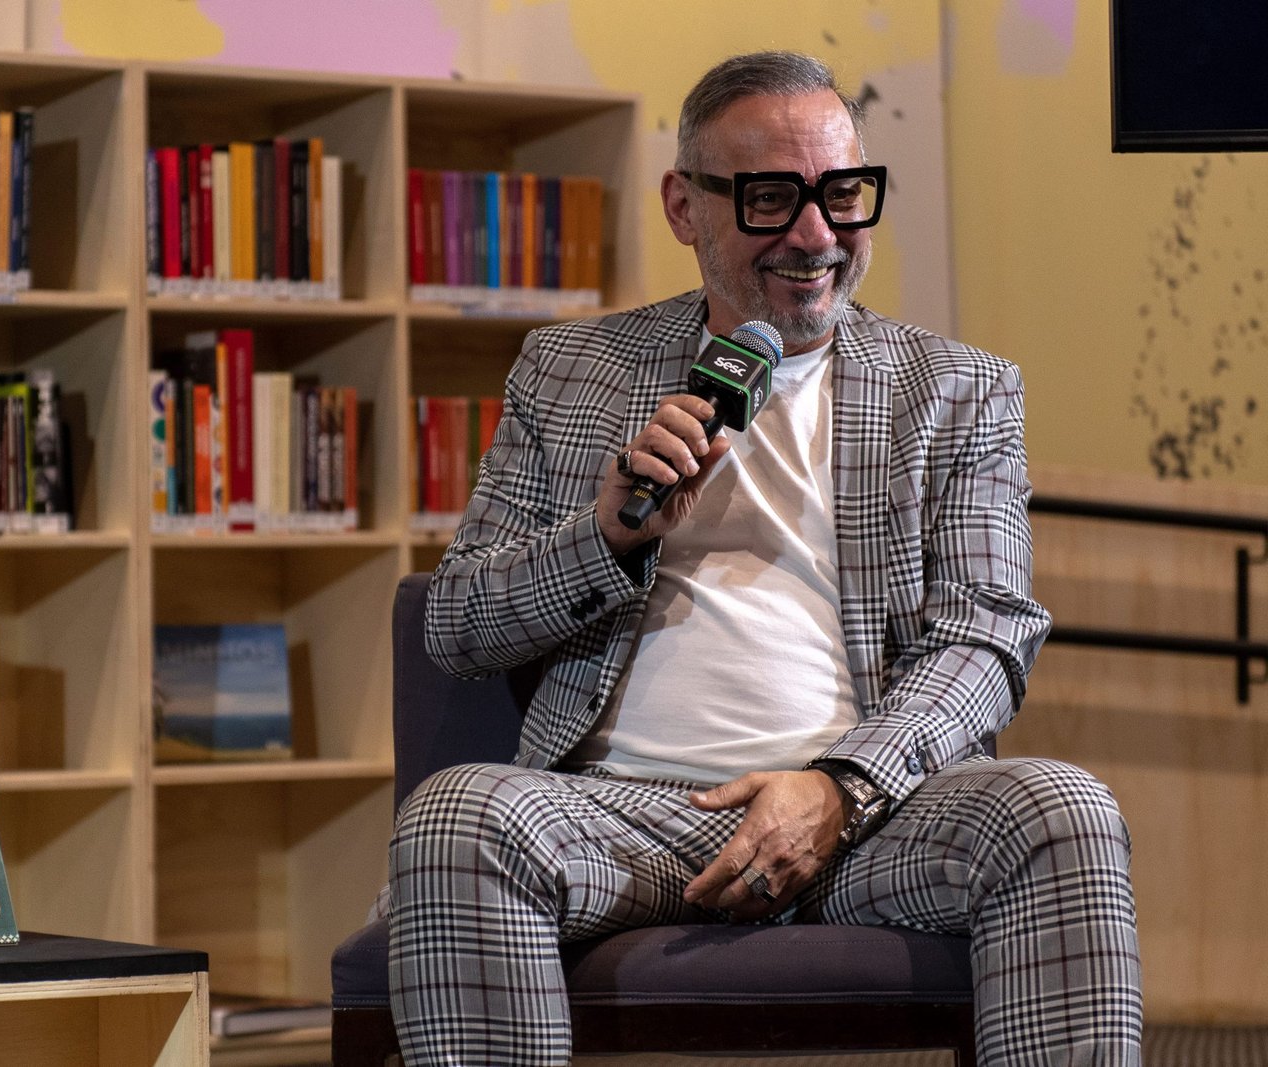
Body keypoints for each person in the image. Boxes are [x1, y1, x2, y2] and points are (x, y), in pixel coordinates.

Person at [385, 51, 1142, 1066]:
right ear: (683, 206)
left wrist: (835, 787)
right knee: (457, 816)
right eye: (772, 197)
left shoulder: (958, 390)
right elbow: (459, 624)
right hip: (628, 813)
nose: (816, 234)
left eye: (842, 194)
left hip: (878, 818)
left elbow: (985, 636)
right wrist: (604, 533)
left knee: (1060, 808)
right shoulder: (570, 370)